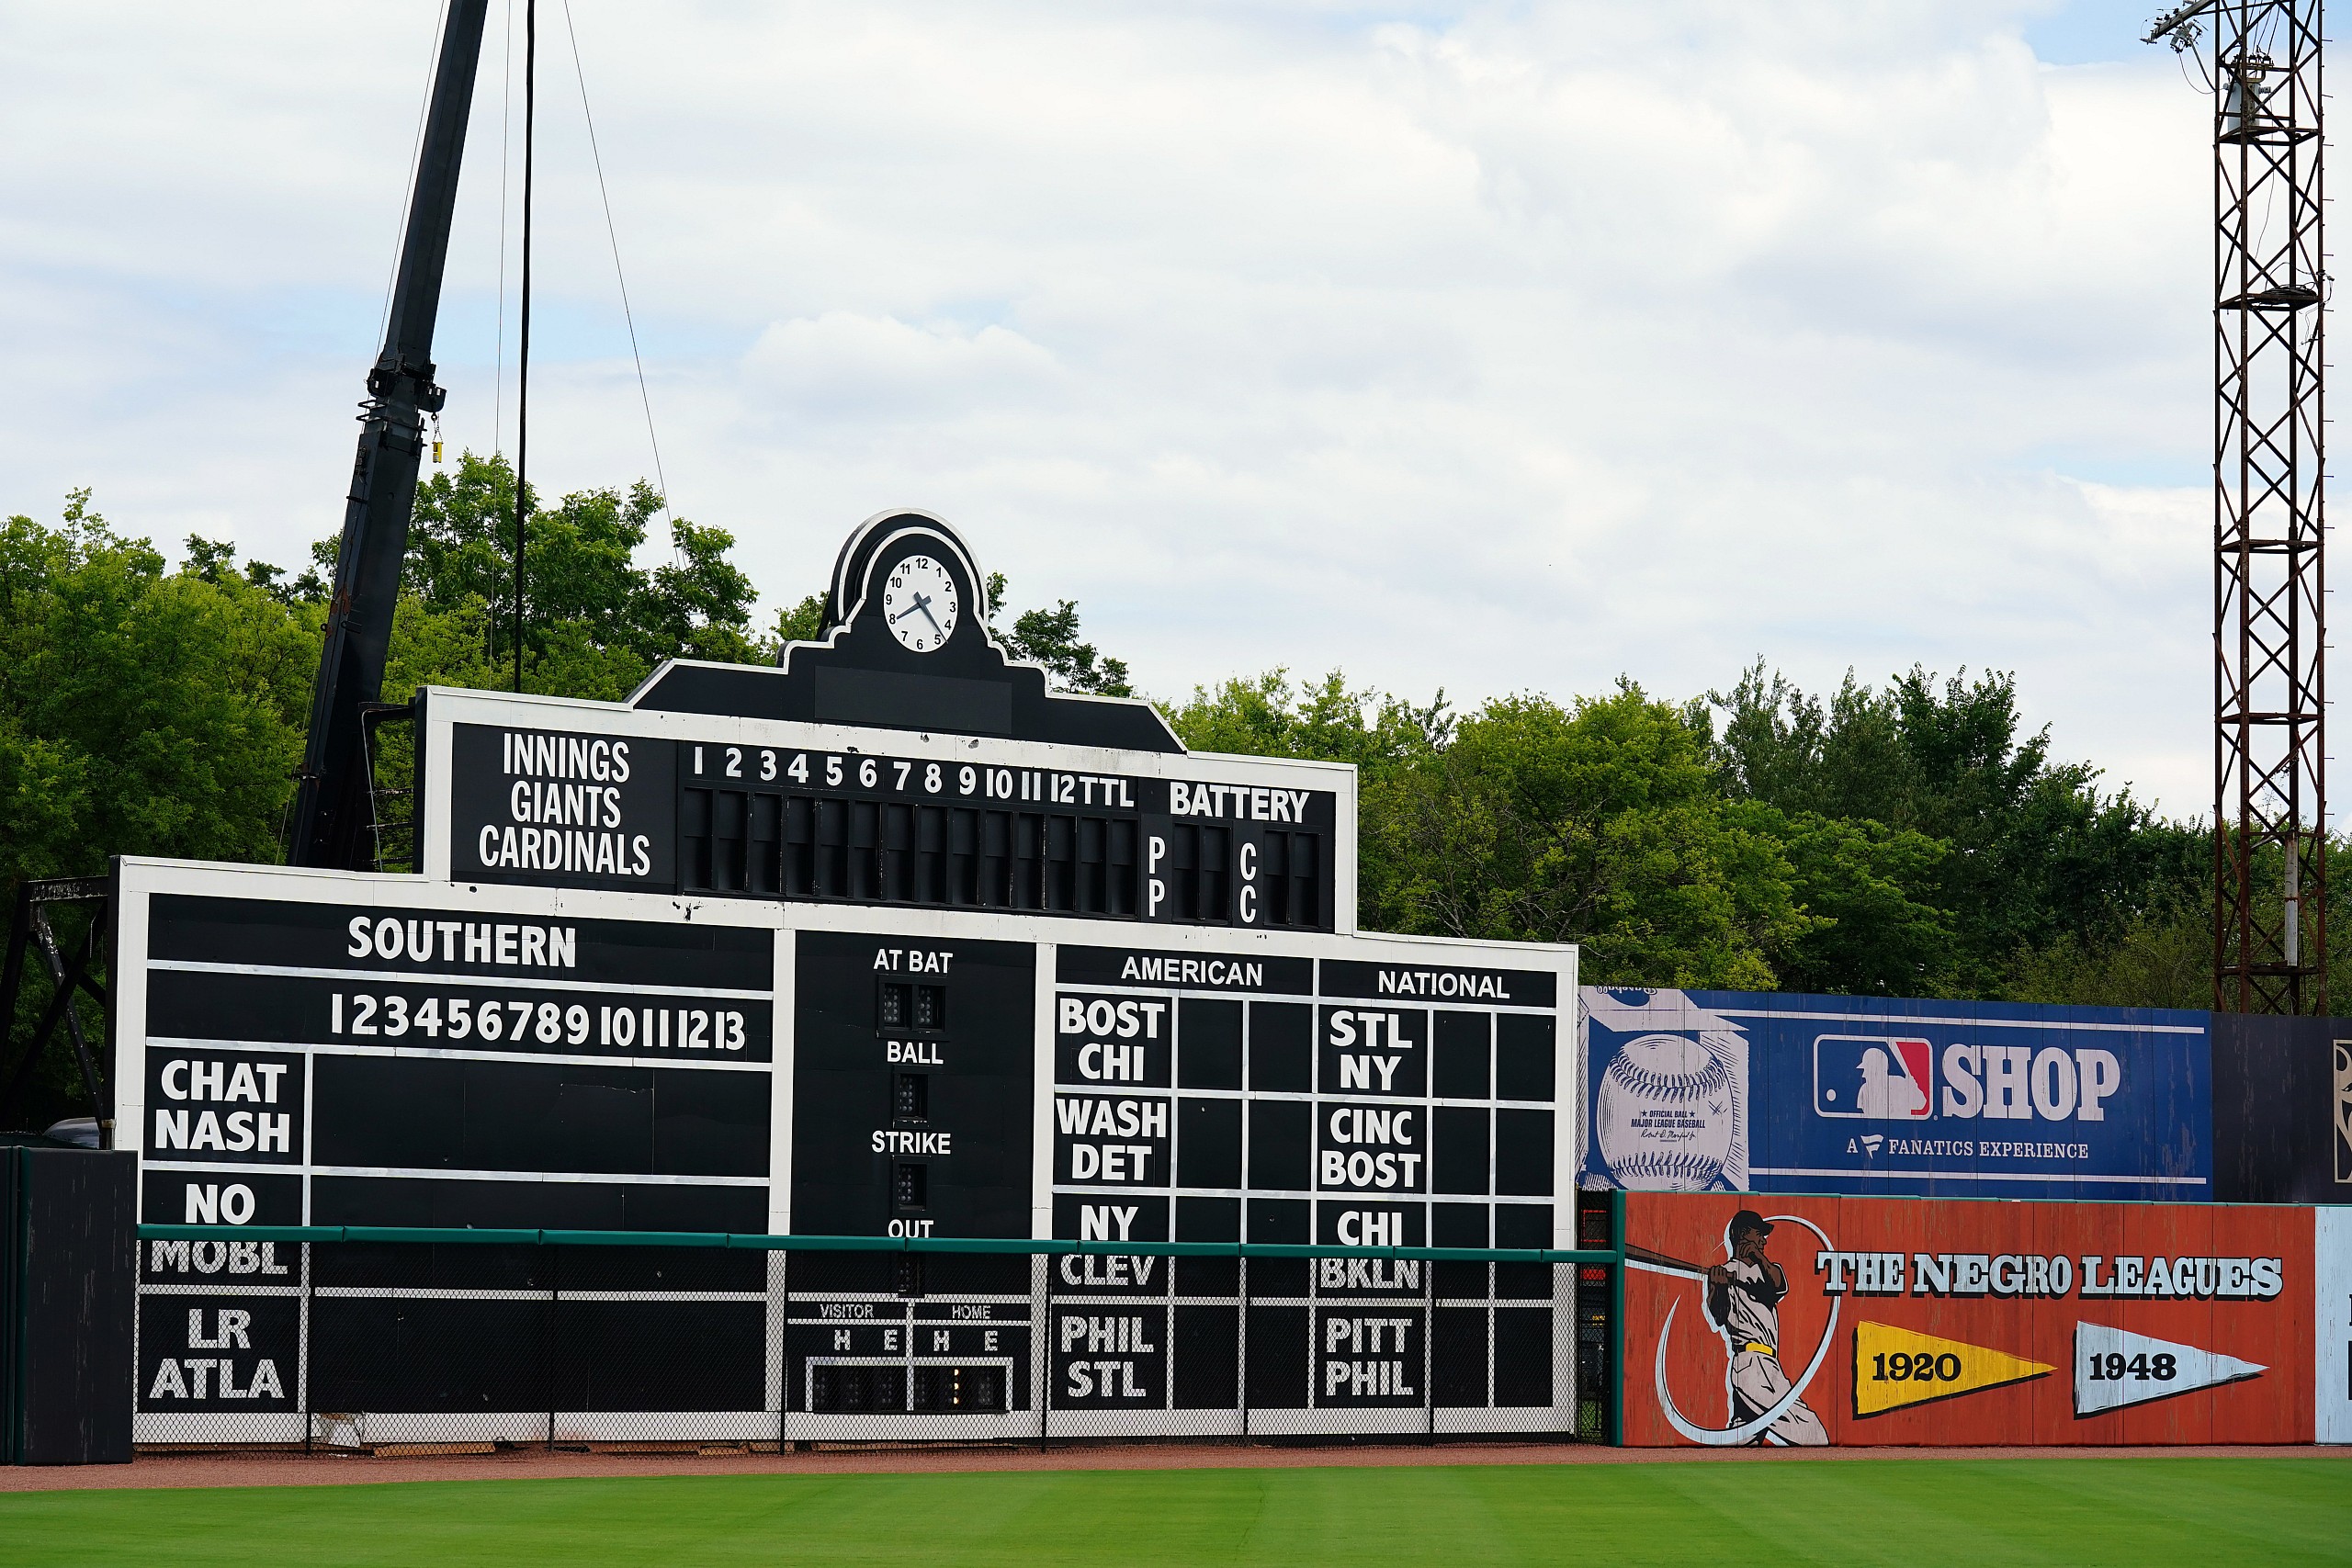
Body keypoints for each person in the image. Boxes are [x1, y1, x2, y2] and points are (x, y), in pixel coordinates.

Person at [1703, 1210, 1827, 1445]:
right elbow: (1719, 1317)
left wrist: (1760, 1258)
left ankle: (1714, 1477)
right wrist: (1719, 1287)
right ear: (1742, 1235)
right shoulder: (1722, 1273)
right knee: (1814, 1433)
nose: (1763, 1240)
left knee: (1741, 1439)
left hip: (1767, 1364)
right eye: (1758, 1234)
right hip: (1752, 1363)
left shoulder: (1767, 1270)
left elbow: (1778, 1287)